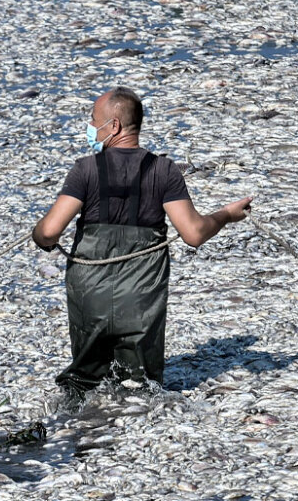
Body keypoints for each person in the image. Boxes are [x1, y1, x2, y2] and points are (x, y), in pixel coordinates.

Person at [33, 87, 252, 398]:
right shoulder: (163, 170)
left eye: (94, 120)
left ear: (114, 126)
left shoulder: (85, 169)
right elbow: (194, 233)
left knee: (85, 386)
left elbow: (50, 232)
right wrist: (227, 215)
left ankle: (77, 436)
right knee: (141, 392)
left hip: (89, 294)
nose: (90, 127)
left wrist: (37, 234)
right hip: (141, 297)